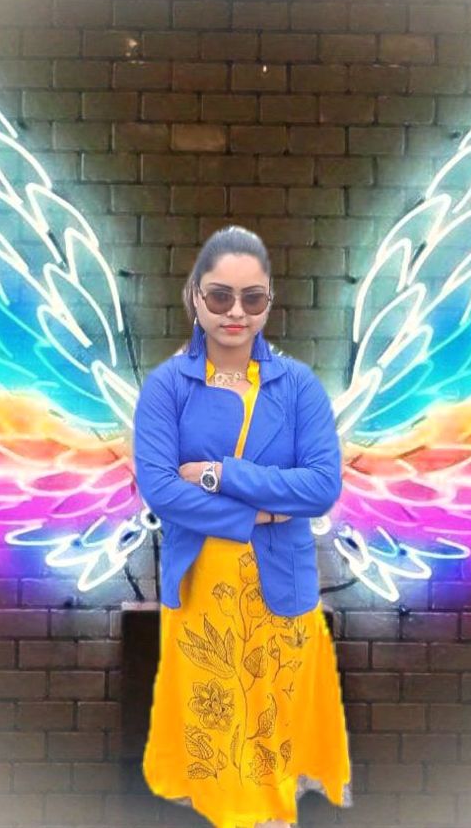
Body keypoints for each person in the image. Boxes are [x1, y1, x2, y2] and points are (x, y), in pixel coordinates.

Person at [133, 226, 352, 828]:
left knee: (273, 725)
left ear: (269, 302)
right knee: (216, 727)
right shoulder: (167, 387)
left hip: (282, 584)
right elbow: (160, 489)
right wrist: (259, 512)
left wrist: (218, 474)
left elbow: (321, 485)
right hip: (202, 587)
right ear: (195, 297)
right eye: (220, 296)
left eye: (252, 298)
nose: (235, 312)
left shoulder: (299, 386)